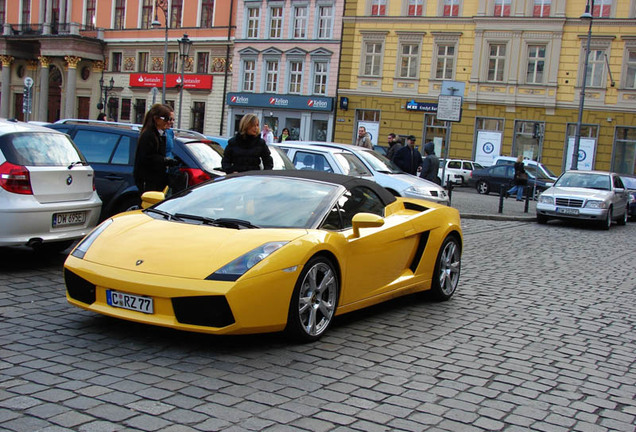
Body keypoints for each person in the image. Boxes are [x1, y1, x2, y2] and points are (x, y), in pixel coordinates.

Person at [133, 104, 178, 194]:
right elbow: (146, 158)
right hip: (149, 180)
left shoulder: (161, 134)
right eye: (167, 119)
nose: (170, 122)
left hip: (158, 179)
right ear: (156, 119)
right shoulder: (149, 135)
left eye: (172, 119)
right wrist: (165, 160)